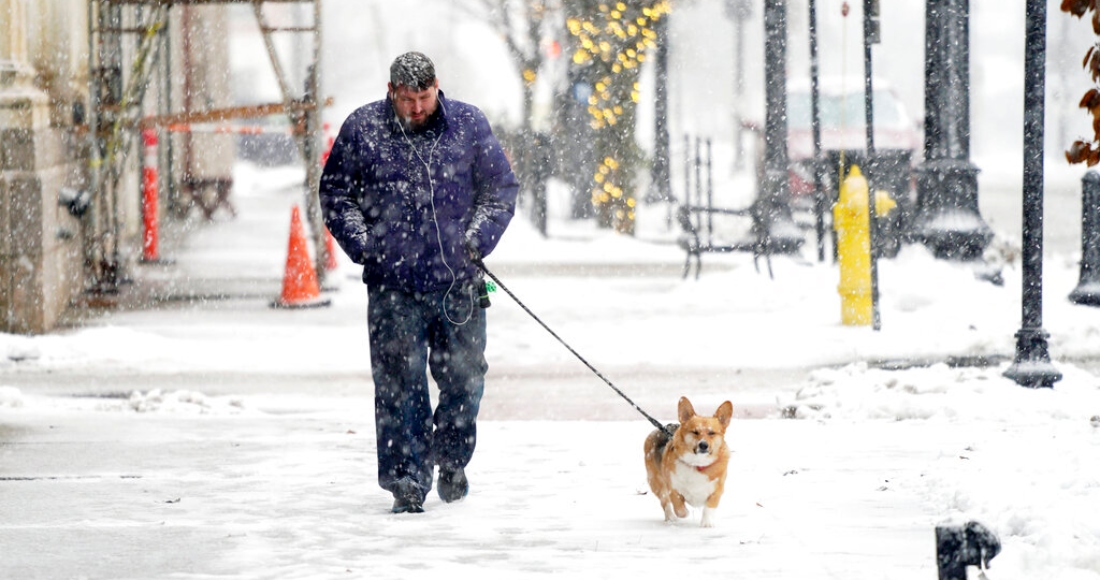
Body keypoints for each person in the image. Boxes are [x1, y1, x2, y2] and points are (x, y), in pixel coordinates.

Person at [319, 52, 518, 514]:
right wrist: (366, 246)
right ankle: (407, 481)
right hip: (393, 287)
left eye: (424, 98)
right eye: (406, 99)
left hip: (459, 284)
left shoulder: (468, 124)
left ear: (437, 88)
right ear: (391, 92)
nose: (415, 109)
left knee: (466, 380)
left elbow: (500, 190)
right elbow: (336, 195)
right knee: (398, 386)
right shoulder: (362, 128)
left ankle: (450, 458)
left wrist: (477, 238)